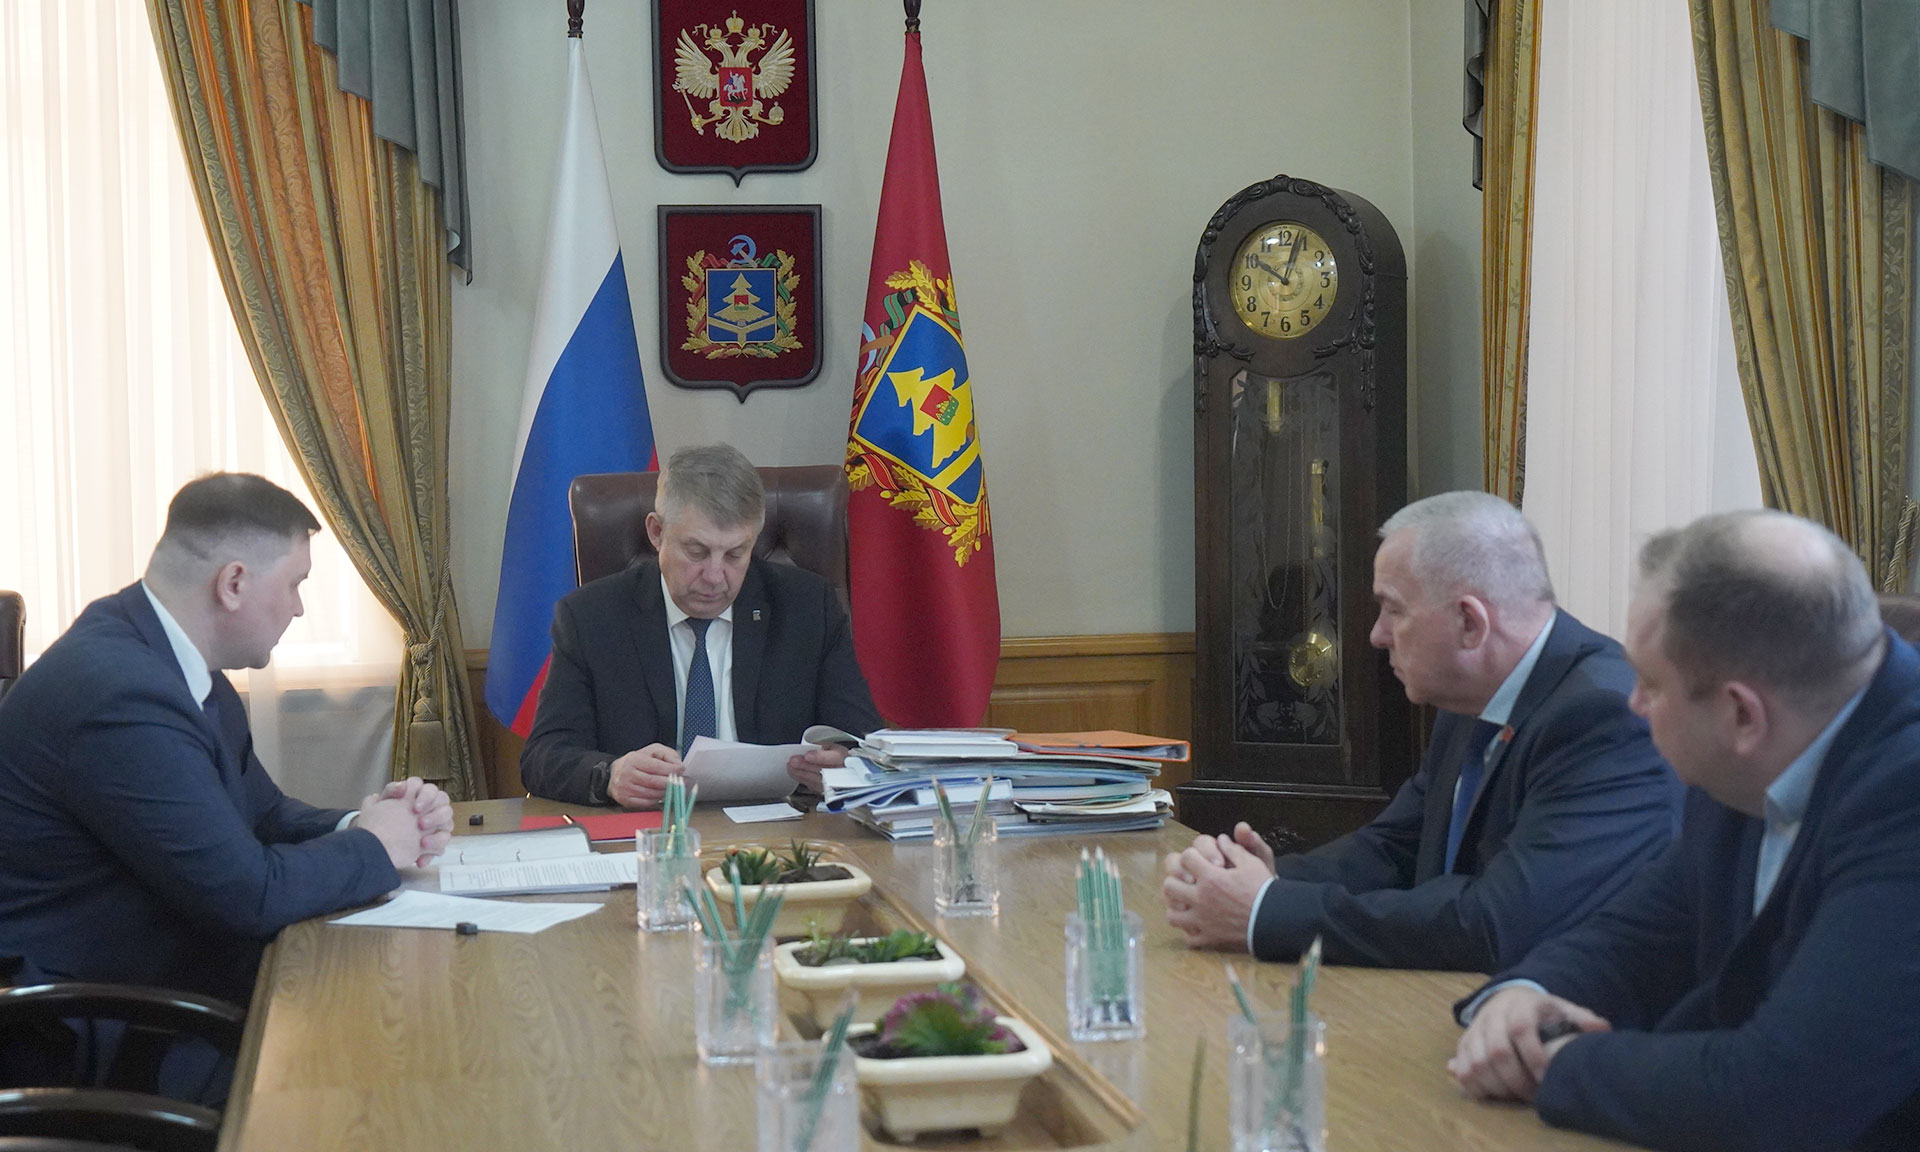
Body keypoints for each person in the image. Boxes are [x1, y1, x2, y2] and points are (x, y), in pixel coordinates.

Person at [1450, 510, 1920, 1152]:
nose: (1633, 705)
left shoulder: (1905, 798)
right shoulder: (1764, 750)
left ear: (1740, 714)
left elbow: (1778, 1098)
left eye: (1649, 683)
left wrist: (1556, 1061)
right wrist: (1525, 998)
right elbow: (1641, 936)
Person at [0, 474, 450, 1063]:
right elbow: (247, 894)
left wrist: (366, 823)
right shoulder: (119, 694)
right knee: (381, 1048)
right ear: (233, 583)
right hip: (91, 1029)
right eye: (294, 584)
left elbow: (262, 813)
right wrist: (375, 846)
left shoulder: (172, 661)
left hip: (163, 983)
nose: (298, 607)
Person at [1162, 491, 1682, 970]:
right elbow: (1395, 848)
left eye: (1394, 610)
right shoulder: (1468, 695)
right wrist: (1265, 878)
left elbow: (1498, 923)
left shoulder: (1606, 718)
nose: (1376, 635)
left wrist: (1268, 910)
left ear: (1470, 623)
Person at [520, 444, 882, 808]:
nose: (714, 576)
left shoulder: (807, 608)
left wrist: (845, 764)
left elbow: (863, 740)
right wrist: (610, 775)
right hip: (650, 829)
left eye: (735, 554)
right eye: (696, 552)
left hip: (779, 826)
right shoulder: (591, 617)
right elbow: (543, 756)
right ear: (656, 532)